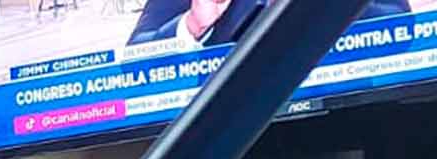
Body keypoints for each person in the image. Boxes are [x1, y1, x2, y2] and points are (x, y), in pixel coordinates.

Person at [128, 0, 410, 47]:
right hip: (225, 139)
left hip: (350, 113)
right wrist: (190, 26)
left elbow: (400, 26)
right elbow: (135, 56)